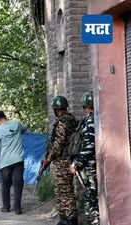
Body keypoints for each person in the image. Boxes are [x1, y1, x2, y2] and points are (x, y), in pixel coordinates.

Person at [39, 96, 78, 225]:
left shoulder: (63, 122)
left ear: (56, 110)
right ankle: (64, 218)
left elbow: (58, 144)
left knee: (65, 191)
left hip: (63, 160)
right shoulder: (71, 120)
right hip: (65, 159)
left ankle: (70, 219)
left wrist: (48, 160)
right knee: (61, 190)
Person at [69, 91, 100, 225]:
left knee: (92, 202)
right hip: (90, 166)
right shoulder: (95, 118)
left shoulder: (90, 120)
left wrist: (76, 164)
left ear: (87, 106)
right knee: (91, 199)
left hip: (90, 167)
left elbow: (89, 146)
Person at [0, 111, 27, 215]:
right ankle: (17, 208)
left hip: (5, 162)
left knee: (6, 185)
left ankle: (6, 207)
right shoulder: (16, 124)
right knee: (18, 184)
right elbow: (24, 129)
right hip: (18, 159)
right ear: (5, 116)